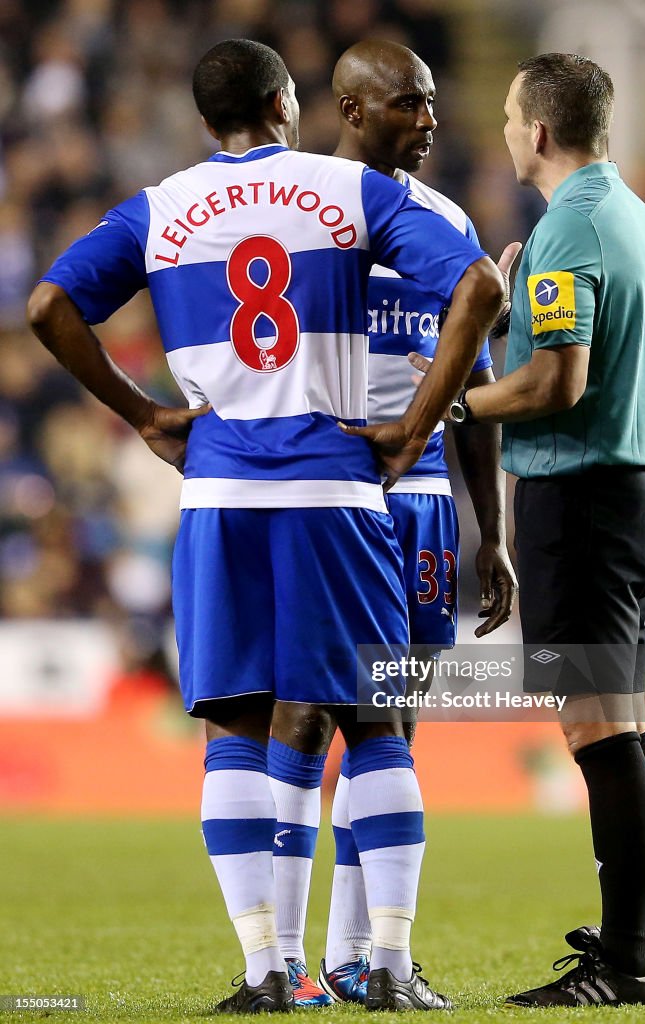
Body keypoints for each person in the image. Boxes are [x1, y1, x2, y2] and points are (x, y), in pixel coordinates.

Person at [27, 39, 504, 1014]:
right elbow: (480, 292)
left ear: (205, 119)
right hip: (342, 487)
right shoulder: (347, 195)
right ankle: (384, 961)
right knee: (377, 726)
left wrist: (147, 414)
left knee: (240, 731)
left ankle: (266, 969)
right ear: (294, 102)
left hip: (216, 492)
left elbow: (47, 304)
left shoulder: (161, 204)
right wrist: (413, 432)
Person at [262, 39, 518, 1009]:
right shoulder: (290, 216)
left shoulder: (445, 220)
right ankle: (282, 958)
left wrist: (487, 530)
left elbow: (477, 385)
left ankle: (351, 957)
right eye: (409, 105)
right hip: (333, 491)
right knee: (306, 708)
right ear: (352, 108)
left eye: (432, 103)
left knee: (392, 722)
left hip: (416, 509)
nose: (429, 123)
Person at [422, 53, 645, 1006]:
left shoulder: (568, 230)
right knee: (625, 730)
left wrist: (456, 403)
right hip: (633, 496)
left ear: (536, 132)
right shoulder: (631, 219)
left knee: (598, 731)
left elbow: (556, 384)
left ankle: (626, 963)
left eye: (505, 118)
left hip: (581, 505)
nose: (499, 132)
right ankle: (632, 949)